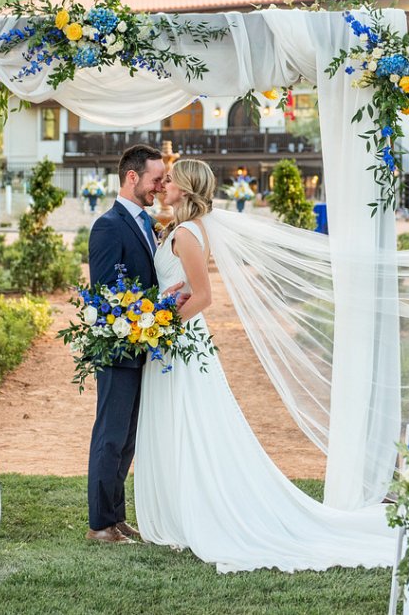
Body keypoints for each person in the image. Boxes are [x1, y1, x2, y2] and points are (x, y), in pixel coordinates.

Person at [133, 158, 395, 572]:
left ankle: (198, 512)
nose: (164, 185)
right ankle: (184, 507)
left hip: (179, 340)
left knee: (191, 423)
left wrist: (161, 328)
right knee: (180, 421)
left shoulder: (185, 233)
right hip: (175, 339)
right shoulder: (185, 229)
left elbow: (203, 296)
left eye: (171, 181)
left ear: (185, 188)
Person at [85, 144, 169, 545]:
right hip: (118, 349)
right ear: (132, 177)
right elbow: (104, 295)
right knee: (111, 435)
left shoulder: (146, 223)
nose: (161, 185)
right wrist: (135, 325)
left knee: (128, 437)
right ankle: (100, 524)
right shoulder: (108, 225)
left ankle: (117, 518)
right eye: (156, 178)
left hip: (141, 346)